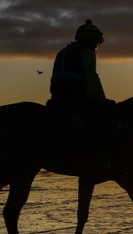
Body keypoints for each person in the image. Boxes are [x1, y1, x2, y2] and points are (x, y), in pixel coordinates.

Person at [48, 19, 116, 156]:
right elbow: (93, 78)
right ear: (93, 41)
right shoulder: (87, 52)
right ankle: (95, 156)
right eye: (97, 42)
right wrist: (103, 101)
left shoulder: (62, 52)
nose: (97, 46)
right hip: (75, 99)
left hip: (57, 99)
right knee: (105, 121)